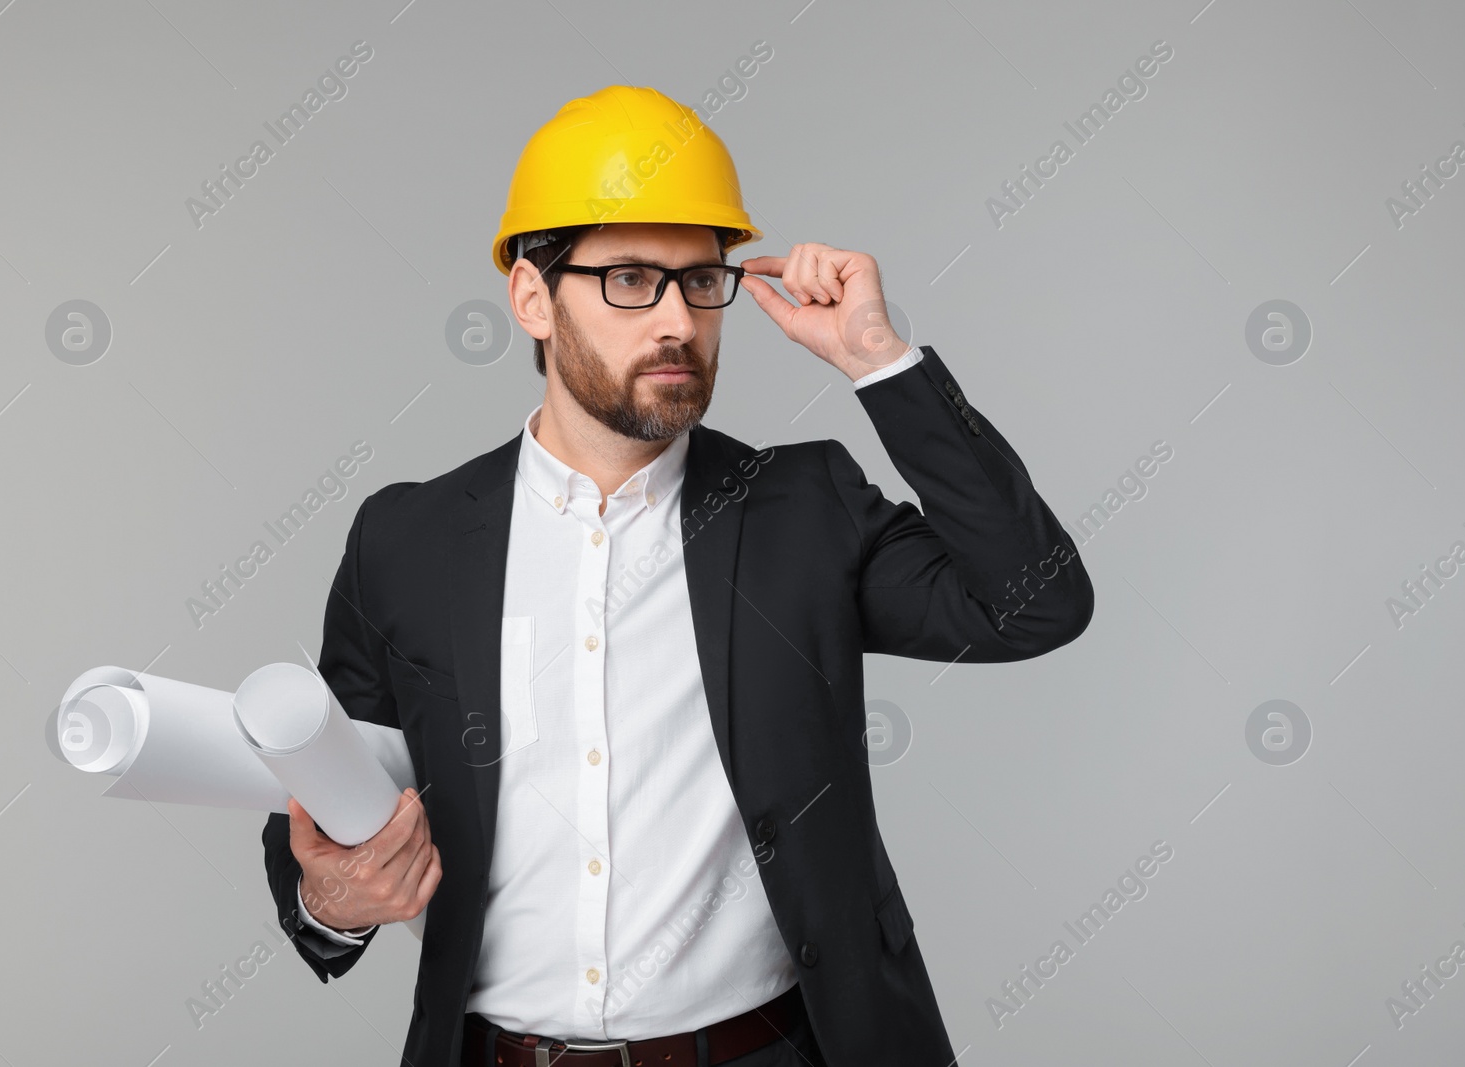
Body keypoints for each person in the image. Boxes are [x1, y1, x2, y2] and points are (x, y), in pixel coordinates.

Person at [261, 84, 1093, 1067]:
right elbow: (326, 794)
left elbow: (1036, 599)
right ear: (532, 295)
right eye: (628, 280)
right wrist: (328, 899)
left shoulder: (804, 508)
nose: (678, 320)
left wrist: (880, 358)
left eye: (701, 281)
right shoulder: (407, 538)